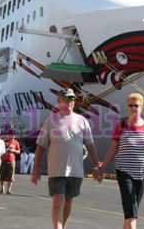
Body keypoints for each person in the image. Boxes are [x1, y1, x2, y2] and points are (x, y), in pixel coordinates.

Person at [32, 88, 101, 229]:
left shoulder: (82, 121)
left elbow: (90, 144)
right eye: (66, 99)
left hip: (75, 170)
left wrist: (95, 167)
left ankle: (62, 226)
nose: (70, 102)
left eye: (72, 99)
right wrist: (36, 169)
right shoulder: (50, 121)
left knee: (68, 201)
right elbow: (40, 146)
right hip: (57, 169)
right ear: (59, 101)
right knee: (59, 199)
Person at [99, 93, 144, 229]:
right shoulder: (121, 125)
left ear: (142, 108)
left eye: (136, 105)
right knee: (131, 211)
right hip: (124, 171)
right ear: (127, 107)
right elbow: (112, 149)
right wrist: (102, 169)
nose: (133, 108)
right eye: (130, 105)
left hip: (143, 174)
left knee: (132, 212)